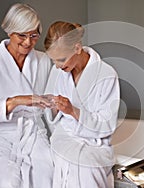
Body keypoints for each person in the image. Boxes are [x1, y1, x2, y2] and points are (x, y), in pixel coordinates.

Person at [0, 3, 54, 188]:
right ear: (10, 32)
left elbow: (53, 95)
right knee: (8, 182)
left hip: (32, 132)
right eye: (22, 35)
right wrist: (18, 100)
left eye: (34, 36)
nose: (28, 42)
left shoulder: (43, 61)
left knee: (47, 174)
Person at [43, 21, 120, 188]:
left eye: (61, 59)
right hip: (65, 137)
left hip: (94, 143)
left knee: (85, 168)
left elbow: (107, 125)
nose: (57, 66)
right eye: (53, 61)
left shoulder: (106, 74)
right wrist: (51, 105)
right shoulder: (58, 71)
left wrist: (73, 111)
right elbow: (52, 116)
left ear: (77, 48)